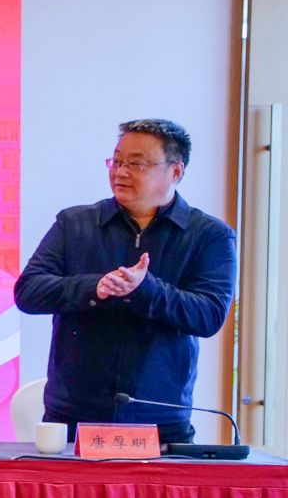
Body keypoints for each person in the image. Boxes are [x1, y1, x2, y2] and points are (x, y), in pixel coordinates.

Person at [13, 118, 235, 443]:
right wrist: (95, 287)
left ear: (175, 171)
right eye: (116, 161)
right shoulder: (74, 224)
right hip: (74, 416)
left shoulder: (209, 236)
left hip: (160, 421)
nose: (121, 172)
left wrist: (146, 290)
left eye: (136, 164)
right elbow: (28, 291)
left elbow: (209, 315)